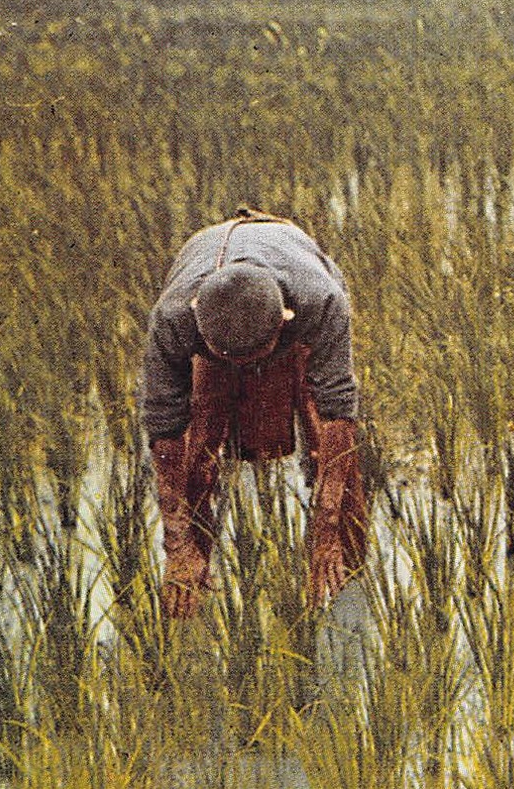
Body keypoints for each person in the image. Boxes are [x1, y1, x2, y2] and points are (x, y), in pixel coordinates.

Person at [142, 209, 365, 619]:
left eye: (254, 359)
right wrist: (177, 543)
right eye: (233, 360)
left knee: (328, 446)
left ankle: (347, 575)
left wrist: (327, 524)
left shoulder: (321, 302)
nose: (246, 372)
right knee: (198, 454)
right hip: (211, 286)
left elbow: (340, 411)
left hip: (290, 280)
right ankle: (193, 577)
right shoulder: (174, 318)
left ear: (284, 324)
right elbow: (164, 428)